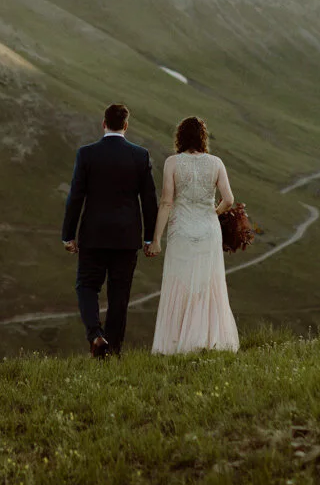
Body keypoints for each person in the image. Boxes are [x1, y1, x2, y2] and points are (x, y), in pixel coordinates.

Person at [60, 103, 158, 358]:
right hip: (126, 238)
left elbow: (75, 198)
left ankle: (96, 336)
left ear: (103, 124)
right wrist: (150, 238)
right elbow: (149, 201)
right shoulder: (140, 155)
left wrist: (68, 235)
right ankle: (112, 352)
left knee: (87, 286)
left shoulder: (87, 154)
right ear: (126, 126)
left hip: (93, 235)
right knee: (120, 294)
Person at [147, 115, 240, 354]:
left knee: (179, 283)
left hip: (181, 230)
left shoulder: (172, 163)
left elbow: (167, 202)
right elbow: (229, 200)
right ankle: (208, 341)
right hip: (209, 229)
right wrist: (213, 212)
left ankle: (177, 343)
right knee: (208, 284)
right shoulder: (216, 162)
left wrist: (156, 239)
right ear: (203, 138)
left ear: (180, 138)